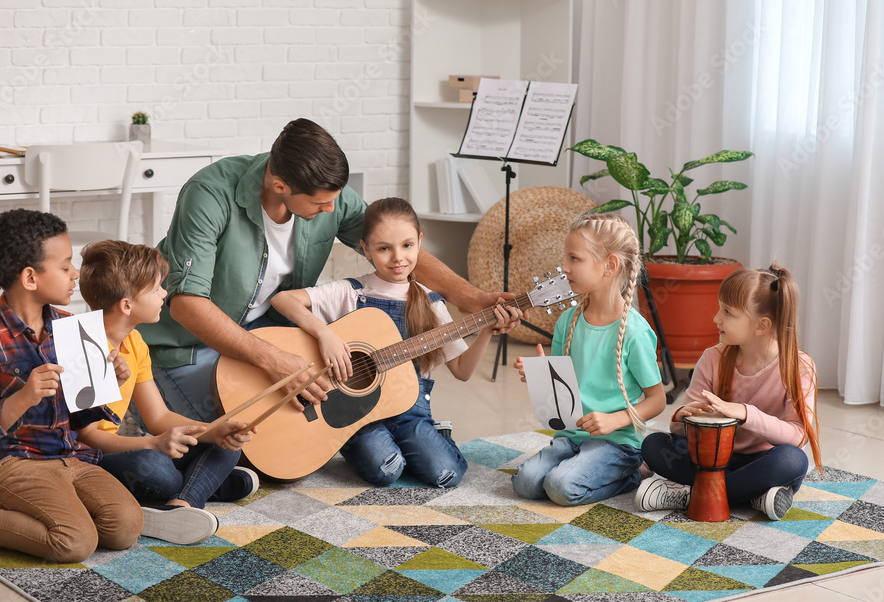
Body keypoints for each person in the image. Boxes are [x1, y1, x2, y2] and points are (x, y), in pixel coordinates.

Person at [139, 118, 508, 423]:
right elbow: (186, 304)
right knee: (232, 442)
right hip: (189, 346)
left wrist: (472, 298)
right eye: (321, 204)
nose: (334, 211)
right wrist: (274, 360)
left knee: (299, 439)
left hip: (274, 336)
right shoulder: (209, 194)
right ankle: (144, 411)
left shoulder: (330, 195)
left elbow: (394, 242)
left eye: (335, 199)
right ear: (280, 186)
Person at [270, 197, 522, 487]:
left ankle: (424, 441)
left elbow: (462, 371)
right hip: (360, 417)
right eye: (384, 248)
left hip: (411, 414)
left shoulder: (431, 303)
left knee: (446, 474)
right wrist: (324, 334)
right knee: (385, 470)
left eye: (407, 245)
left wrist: (487, 330)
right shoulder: (351, 292)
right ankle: (354, 441)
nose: (398, 258)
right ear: (365, 249)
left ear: (419, 242)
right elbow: (282, 299)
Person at [0, 209, 142, 563]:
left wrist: (109, 379)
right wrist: (25, 396)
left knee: (124, 528)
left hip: (70, 457)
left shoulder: (70, 326)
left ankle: (48, 510)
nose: (75, 274)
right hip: (12, 464)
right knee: (75, 543)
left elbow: (82, 419)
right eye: (65, 267)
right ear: (31, 278)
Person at [75, 240, 260, 545]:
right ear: (127, 305)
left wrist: (213, 431)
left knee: (227, 445)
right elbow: (87, 437)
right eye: (157, 288)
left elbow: (158, 416)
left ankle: (181, 504)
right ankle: (201, 489)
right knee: (155, 468)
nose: (164, 293)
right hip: (90, 459)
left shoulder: (135, 343)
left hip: (122, 448)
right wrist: (154, 443)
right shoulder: (86, 347)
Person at [636, 264, 822, 521]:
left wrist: (746, 414)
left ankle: (691, 495)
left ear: (761, 325)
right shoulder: (712, 358)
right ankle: (753, 495)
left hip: (761, 460)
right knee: (654, 445)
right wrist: (683, 417)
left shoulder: (799, 366)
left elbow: (798, 435)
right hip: (709, 460)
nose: (716, 319)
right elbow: (681, 433)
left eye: (728, 312)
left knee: (792, 461)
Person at [512, 213, 666, 506]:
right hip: (570, 436)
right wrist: (541, 376)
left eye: (574, 259)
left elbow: (657, 400)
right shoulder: (568, 321)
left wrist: (615, 420)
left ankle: (633, 473)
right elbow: (562, 391)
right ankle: (580, 468)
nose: (565, 268)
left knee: (560, 487)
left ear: (609, 265)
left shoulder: (634, 332)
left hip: (617, 443)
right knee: (526, 483)